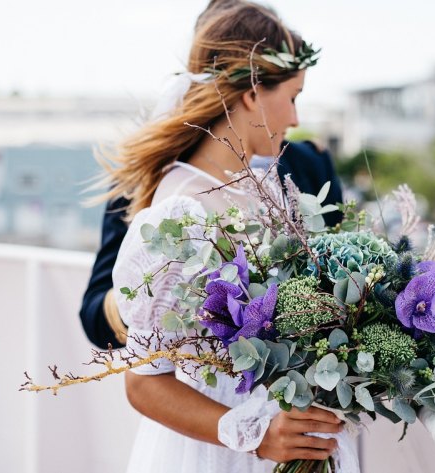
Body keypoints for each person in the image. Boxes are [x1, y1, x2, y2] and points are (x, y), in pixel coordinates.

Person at [96, 2, 352, 472]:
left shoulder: (270, 188)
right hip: (219, 454)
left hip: (291, 441)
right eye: (293, 96)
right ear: (254, 92)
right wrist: (255, 436)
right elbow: (145, 383)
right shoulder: (180, 217)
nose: (295, 118)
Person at [79, 2, 344, 351]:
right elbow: (98, 317)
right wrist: (160, 282)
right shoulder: (150, 180)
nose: (295, 117)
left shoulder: (310, 164)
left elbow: (338, 272)